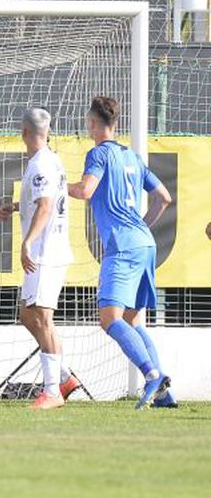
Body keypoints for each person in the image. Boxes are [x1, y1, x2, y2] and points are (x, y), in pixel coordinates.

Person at [67, 96, 176, 409]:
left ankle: (152, 374)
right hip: (145, 244)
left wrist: (60, 184)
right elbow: (164, 198)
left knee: (110, 319)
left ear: (92, 123)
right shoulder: (131, 156)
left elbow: (86, 191)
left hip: (124, 247)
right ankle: (164, 394)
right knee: (133, 320)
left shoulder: (98, 154)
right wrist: (141, 226)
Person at [0, 108, 81, 410]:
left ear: (23, 132)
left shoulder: (42, 163)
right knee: (28, 315)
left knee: (42, 318)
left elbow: (46, 206)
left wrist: (27, 242)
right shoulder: (51, 159)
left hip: (45, 252)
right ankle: (64, 376)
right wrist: (18, 206)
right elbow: (48, 201)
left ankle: (52, 391)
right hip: (49, 250)